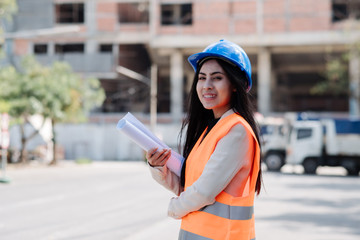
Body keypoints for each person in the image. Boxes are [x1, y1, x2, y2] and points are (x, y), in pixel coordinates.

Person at [146, 39, 262, 240]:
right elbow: (189, 186)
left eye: (217, 78)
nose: (206, 85)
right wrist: (159, 167)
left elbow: (203, 192)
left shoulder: (237, 131)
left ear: (236, 85)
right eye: (202, 78)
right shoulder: (209, 130)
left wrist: (174, 208)